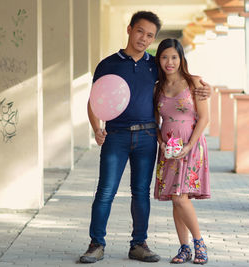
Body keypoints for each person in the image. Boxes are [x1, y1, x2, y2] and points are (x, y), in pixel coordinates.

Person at [80, 11, 211, 264]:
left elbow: (183, 82)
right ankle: (96, 244)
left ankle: (139, 244)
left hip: (148, 136)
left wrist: (207, 89)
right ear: (129, 29)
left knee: (140, 192)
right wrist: (96, 128)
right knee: (105, 191)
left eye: (150, 35)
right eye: (140, 31)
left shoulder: (156, 65)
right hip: (115, 136)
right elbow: (93, 100)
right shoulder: (108, 64)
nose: (144, 38)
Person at [153, 38, 210, 265]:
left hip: (191, 144)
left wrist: (188, 145)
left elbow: (205, 118)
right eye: (165, 57)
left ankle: (199, 243)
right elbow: (154, 121)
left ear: (181, 59)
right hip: (168, 148)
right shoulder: (157, 88)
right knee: (176, 199)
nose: (169, 62)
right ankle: (184, 248)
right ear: (159, 59)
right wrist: (161, 143)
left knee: (180, 197)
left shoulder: (194, 82)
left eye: (174, 57)